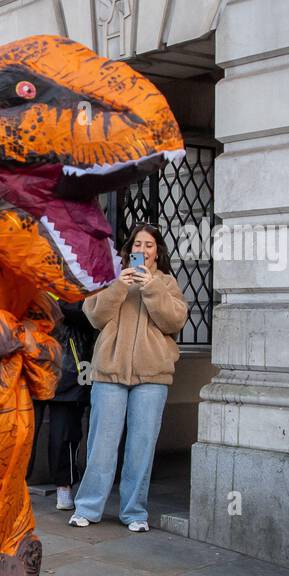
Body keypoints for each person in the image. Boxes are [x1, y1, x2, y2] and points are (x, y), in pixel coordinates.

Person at [70, 223, 188, 532]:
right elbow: (93, 315)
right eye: (138, 244)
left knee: (141, 446)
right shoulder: (112, 278)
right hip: (109, 373)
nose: (143, 250)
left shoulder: (166, 283)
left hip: (152, 376)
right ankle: (87, 507)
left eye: (149, 245)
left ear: (157, 251)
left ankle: (134, 512)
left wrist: (150, 287)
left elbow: (173, 321)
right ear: (130, 250)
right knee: (101, 446)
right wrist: (118, 286)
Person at [30, 297, 97, 510]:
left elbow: (90, 314)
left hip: (71, 367)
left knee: (64, 434)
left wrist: (54, 300)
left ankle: (64, 485)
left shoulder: (84, 276)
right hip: (34, 364)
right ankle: (15, 487)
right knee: (24, 433)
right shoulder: (34, 273)